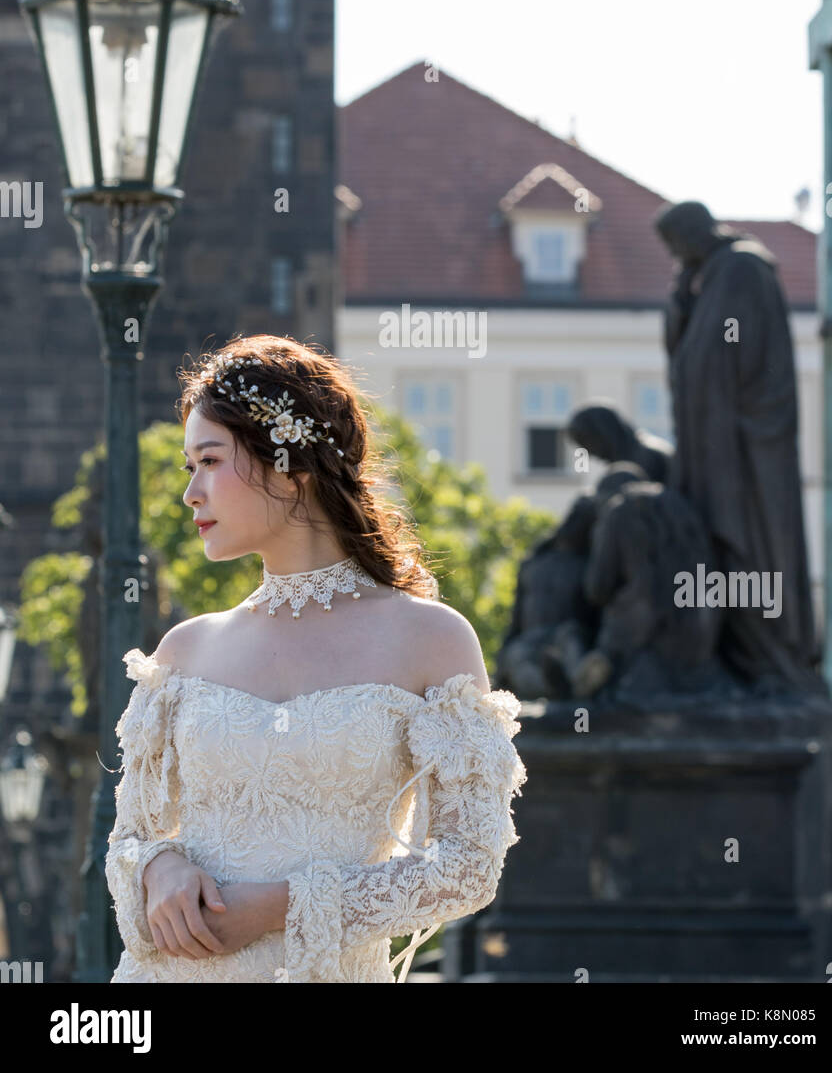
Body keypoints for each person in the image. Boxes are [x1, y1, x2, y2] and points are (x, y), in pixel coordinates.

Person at [105, 334, 527, 983]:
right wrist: (160, 868)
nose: (190, 492)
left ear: (289, 465)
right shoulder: (183, 652)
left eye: (209, 461)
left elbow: (468, 866)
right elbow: (130, 838)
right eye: (189, 467)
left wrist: (279, 908)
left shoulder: (430, 639)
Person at [653, 201, 824, 691]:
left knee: (750, 547)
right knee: (723, 549)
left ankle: (769, 662)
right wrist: (682, 305)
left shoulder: (741, 267)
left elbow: (717, 357)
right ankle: (745, 663)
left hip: (743, 452)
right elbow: (691, 354)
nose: (674, 254)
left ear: (693, 232)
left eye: (674, 243)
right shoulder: (712, 274)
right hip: (715, 445)